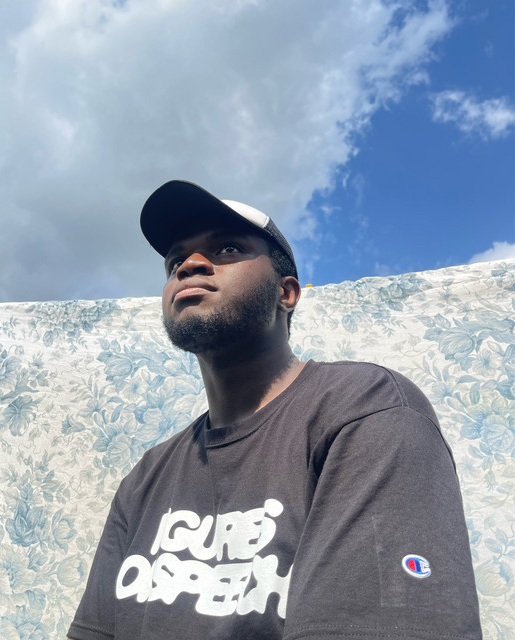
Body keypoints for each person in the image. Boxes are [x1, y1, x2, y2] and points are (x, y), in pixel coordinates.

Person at [68, 180, 482, 640]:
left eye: (227, 248)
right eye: (174, 261)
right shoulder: (146, 477)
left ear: (286, 293)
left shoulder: (365, 408)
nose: (189, 265)